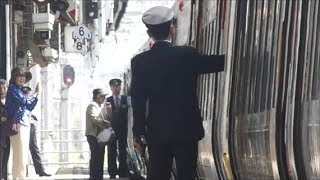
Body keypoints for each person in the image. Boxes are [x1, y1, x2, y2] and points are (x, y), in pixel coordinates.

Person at [130, 6, 225, 180]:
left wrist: (138, 134)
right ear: (171, 30)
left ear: (149, 33)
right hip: (186, 132)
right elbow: (216, 63)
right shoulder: (187, 55)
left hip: (157, 134)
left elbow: (138, 102)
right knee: (186, 175)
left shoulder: (139, 63)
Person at [5, 67, 39, 180]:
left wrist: (36, 96)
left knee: (22, 155)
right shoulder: (12, 89)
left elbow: (29, 106)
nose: (22, 78)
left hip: (23, 124)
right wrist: (35, 95)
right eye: (19, 76)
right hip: (17, 124)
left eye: (24, 76)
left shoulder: (18, 90)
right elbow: (24, 102)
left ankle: (19, 177)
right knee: (19, 156)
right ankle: (18, 178)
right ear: (14, 77)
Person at [21, 86, 51, 177]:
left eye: (28, 94)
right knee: (21, 149)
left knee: (34, 148)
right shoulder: (19, 101)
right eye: (25, 94)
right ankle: (24, 171)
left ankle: (40, 170)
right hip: (21, 125)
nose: (27, 95)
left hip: (31, 125)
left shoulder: (32, 101)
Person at [85, 88, 112, 180]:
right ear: (97, 97)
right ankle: (94, 176)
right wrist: (104, 123)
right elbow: (94, 118)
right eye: (103, 96)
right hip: (93, 135)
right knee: (95, 156)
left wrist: (109, 111)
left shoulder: (99, 106)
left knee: (100, 156)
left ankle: (98, 176)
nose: (104, 98)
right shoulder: (92, 106)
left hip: (99, 135)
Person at [106, 78, 129, 178]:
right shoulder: (108, 100)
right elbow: (107, 115)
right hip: (112, 129)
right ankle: (112, 172)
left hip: (123, 130)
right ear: (111, 88)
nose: (116, 88)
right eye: (114, 86)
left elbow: (130, 114)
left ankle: (122, 171)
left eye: (118, 86)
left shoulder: (125, 99)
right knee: (111, 151)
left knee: (123, 151)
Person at [0, 79, 10, 180]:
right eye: (0, 89)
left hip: (8, 133)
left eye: (4, 88)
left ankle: (4, 176)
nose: (2, 90)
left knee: (6, 156)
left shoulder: (9, 101)